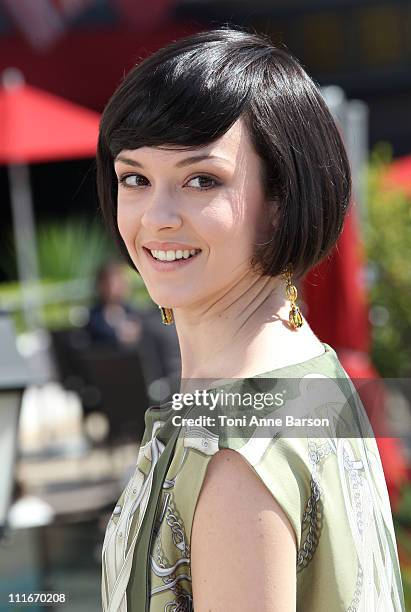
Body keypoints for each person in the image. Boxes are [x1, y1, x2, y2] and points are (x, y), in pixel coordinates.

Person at [96, 27, 405, 612]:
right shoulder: (312, 370)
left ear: (280, 202)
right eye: (134, 177)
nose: (156, 217)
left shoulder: (235, 458)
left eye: (201, 180)